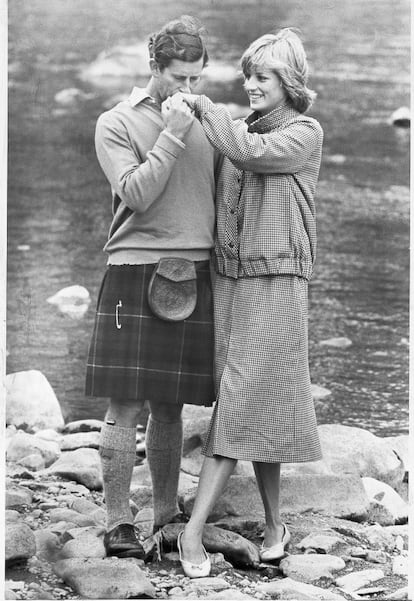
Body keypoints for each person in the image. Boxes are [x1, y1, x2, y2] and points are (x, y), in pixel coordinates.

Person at [176, 28, 324, 578]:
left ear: (289, 82)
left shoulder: (303, 133)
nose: (252, 84)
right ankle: (273, 526)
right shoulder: (238, 131)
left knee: (238, 401)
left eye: (263, 77)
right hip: (232, 279)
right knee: (257, 401)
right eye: (249, 75)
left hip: (278, 282)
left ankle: (193, 535)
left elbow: (247, 152)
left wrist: (203, 106)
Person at [85, 15, 220, 559]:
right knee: (124, 404)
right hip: (134, 268)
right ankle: (118, 521)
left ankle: (166, 517)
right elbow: (136, 195)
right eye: (179, 78)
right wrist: (171, 133)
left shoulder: (212, 120)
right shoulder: (114, 122)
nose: (188, 90)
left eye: (196, 78)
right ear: (154, 68)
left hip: (195, 268)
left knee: (171, 408)